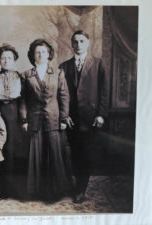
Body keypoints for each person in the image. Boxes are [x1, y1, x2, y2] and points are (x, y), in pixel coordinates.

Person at [59, 30, 110, 203]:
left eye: (82, 41)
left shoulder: (98, 64)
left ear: (87, 43)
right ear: (72, 44)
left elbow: (104, 92)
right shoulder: (64, 67)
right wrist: (64, 116)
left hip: (91, 118)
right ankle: (77, 184)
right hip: (72, 119)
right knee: (74, 154)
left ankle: (80, 188)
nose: (78, 44)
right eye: (75, 42)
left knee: (86, 155)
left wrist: (101, 114)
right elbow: (61, 94)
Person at [20, 39, 73, 202]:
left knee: (55, 154)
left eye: (43, 51)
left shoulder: (58, 73)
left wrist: (64, 118)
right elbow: (23, 100)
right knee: (36, 154)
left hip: (54, 119)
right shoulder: (26, 75)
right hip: (34, 120)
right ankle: (36, 190)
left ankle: (56, 190)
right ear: (32, 55)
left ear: (49, 54)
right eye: (37, 52)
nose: (40, 54)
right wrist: (24, 120)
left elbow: (64, 96)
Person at [0, 43, 24, 198]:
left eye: (9, 57)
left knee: (13, 151)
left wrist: (23, 119)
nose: (6, 60)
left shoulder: (21, 77)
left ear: (14, 59)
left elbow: (25, 99)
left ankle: (13, 187)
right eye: (3, 58)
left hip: (15, 115)